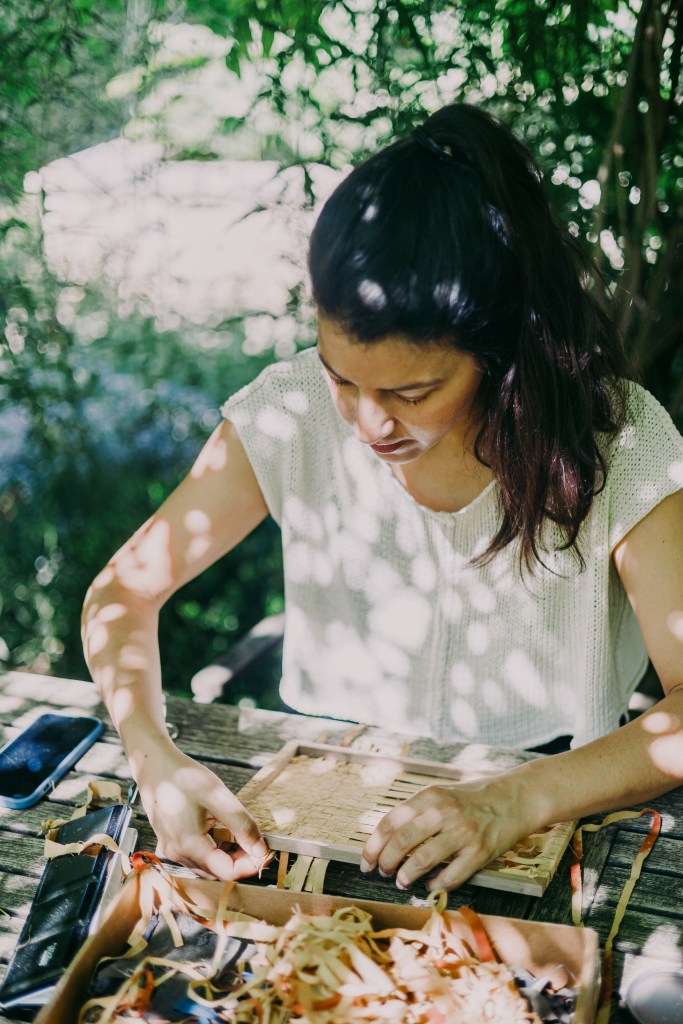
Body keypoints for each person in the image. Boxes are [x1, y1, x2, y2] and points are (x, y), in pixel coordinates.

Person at [82, 103, 683, 893]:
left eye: (412, 390)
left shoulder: (620, 440)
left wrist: (518, 797)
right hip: (322, 791)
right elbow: (122, 592)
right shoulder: (290, 408)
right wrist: (154, 759)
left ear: (500, 350)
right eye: (341, 377)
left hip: (548, 802)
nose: (368, 423)